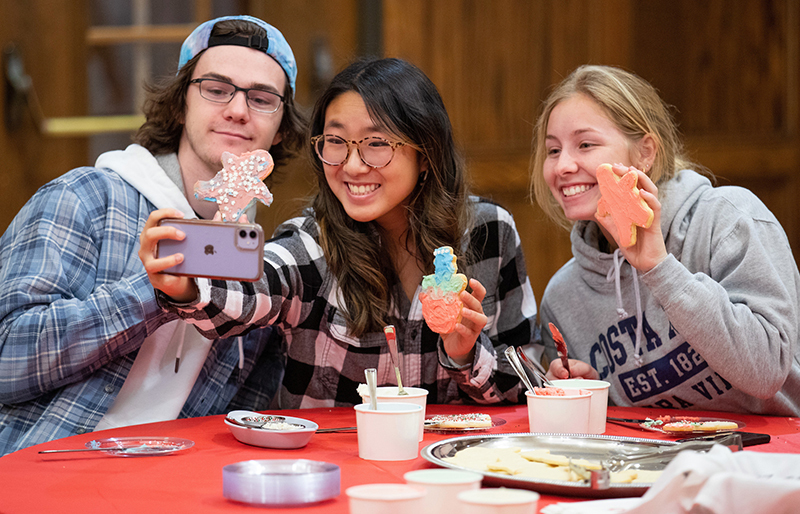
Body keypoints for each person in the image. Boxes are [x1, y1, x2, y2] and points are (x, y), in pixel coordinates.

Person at [139, 57, 539, 408]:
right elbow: (258, 284)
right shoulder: (312, 242)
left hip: (452, 472)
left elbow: (527, 379)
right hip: (333, 474)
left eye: (375, 143)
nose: (352, 165)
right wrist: (187, 286)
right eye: (336, 141)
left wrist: (465, 354)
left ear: (426, 152)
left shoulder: (488, 231)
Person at [0, 15, 306, 456]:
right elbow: (7, 361)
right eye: (216, 89)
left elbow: (242, 419)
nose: (238, 110)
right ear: (181, 103)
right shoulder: (86, 198)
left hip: (169, 485)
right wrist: (155, 292)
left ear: (280, 128)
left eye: (262, 99)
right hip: (46, 468)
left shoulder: (259, 267)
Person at [530, 64, 800, 416]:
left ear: (645, 152)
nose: (562, 166)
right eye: (553, 150)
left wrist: (659, 268)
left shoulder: (729, 219)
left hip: (768, 458)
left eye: (585, 144)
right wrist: (595, 392)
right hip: (649, 466)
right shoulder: (563, 296)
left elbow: (767, 373)